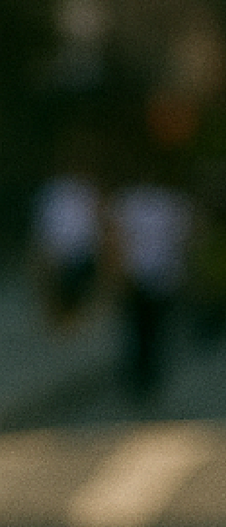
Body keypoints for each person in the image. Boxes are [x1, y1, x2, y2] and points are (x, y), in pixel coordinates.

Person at [107, 174, 194, 400]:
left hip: (151, 273)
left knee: (145, 327)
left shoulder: (132, 201)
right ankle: (143, 376)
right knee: (146, 327)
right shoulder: (166, 201)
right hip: (148, 273)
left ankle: (144, 376)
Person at [29, 165, 101, 327]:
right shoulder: (53, 194)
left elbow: (94, 228)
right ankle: (56, 314)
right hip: (58, 252)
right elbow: (44, 229)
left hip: (80, 254)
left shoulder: (88, 194)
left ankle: (70, 315)